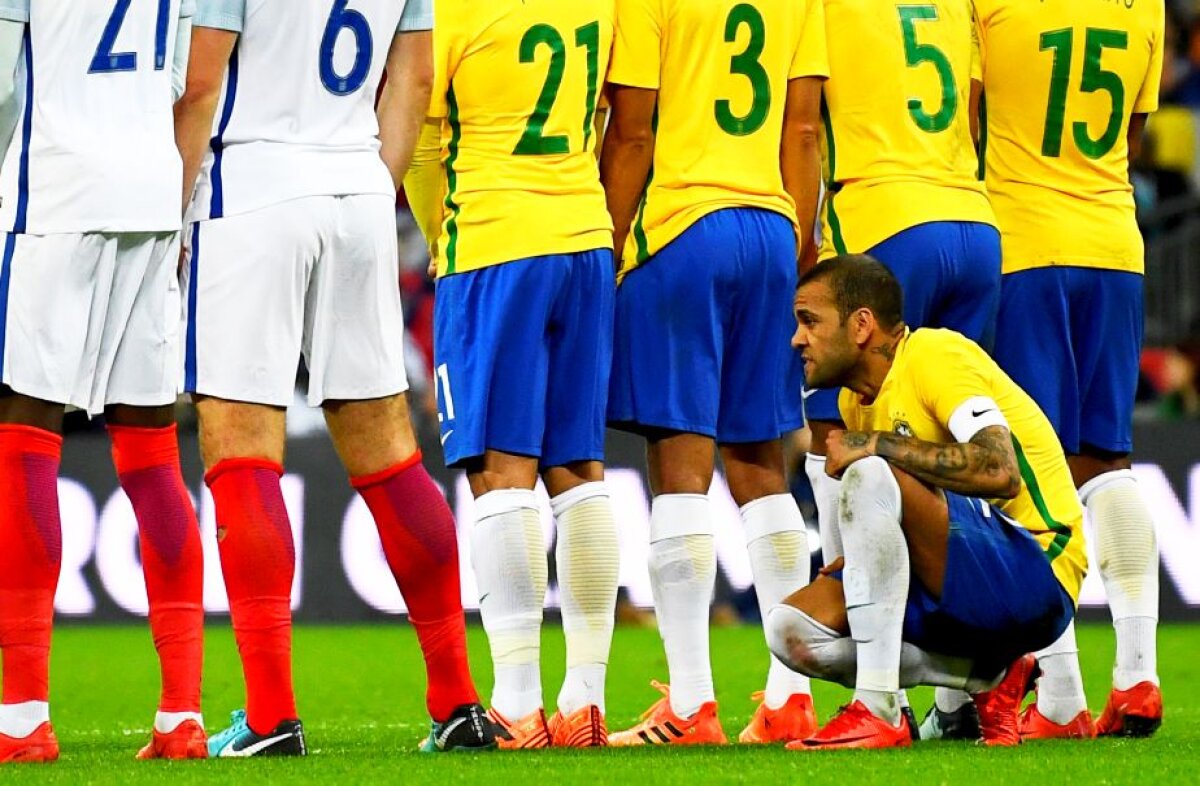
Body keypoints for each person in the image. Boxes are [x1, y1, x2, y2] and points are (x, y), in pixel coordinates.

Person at [174, 0, 495, 756]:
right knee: (391, 453)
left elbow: (201, 82)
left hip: (249, 187)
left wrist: (169, 216)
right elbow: (415, 77)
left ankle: (269, 717)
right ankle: (457, 703)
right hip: (358, 187)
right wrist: (368, 191)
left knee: (241, 449)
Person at [600, 0, 827, 746]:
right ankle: (792, 698)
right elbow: (803, 130)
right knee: (762, 466)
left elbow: (632, 132)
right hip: (771, 227)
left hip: (682, 227)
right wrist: (799, 240)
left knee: (681, 469)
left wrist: (605, 243)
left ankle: (692, 704)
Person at [404, 0, 621, 750]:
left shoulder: (452, 9)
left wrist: (443, 241)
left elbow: (421, 139)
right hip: (585, 237)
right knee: (579, 470)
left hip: (494, 242)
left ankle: (518, 704)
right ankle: (586, 700)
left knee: (501, 473)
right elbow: (607, 113)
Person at [768, 255, 1085, 750]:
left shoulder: (934, 355)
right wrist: (869, 560)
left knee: (871, 470)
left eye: (810, 321)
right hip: (962, 574)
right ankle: (985, 677)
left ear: (861, 325)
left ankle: (878, 708)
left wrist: (877, 444)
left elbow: (1000, 471)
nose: (797, 339)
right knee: (790, 632)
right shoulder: (856, 400)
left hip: (1039, 569)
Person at [0, 0, 205, 763]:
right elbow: (180, 78)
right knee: (153, 456)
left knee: (23, 439)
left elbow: (2, 84)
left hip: (53, 194)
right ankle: (181, 716)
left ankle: (22, 718)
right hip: (151, 192)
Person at [966, 0, 1166, 740]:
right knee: (1109, 461)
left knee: (1031, 468)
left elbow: (964, 120)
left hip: (1025, 243)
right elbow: (1133, 137)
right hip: (1114, 242)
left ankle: (1060, 698)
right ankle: (1138, 677)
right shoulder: (1145, 5)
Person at [802, 8, 1002, 731]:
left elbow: (801, 123)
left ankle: (873, 680)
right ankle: (961, 695)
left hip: (883, 214)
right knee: (947, 436)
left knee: (837, 439)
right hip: (972, 220)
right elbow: (972, 110)